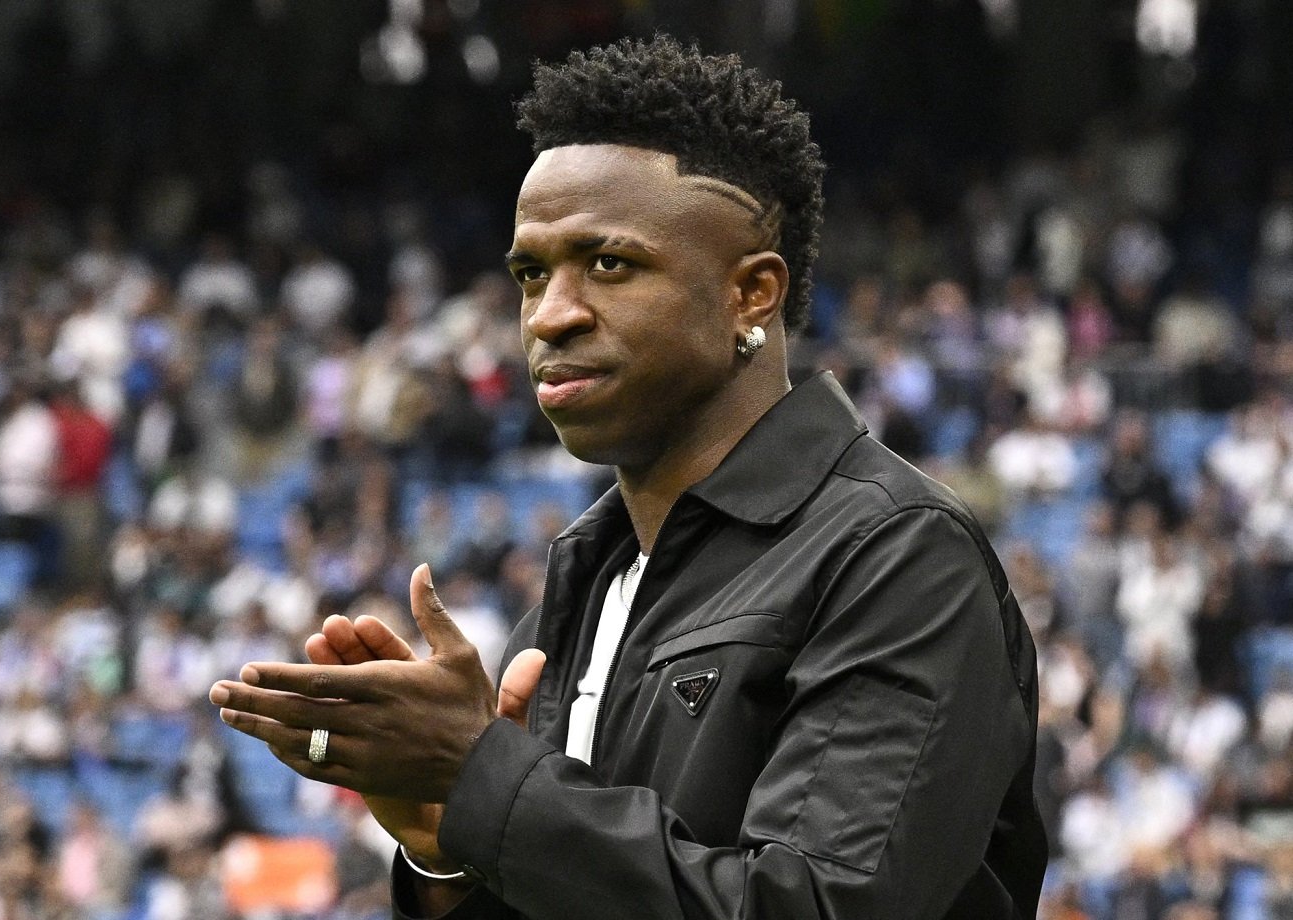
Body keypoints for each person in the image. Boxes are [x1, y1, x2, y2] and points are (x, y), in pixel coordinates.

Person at [210, 35, 1047, 919]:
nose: (552, 316)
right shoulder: (580, 588)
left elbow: (814, 905)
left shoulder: (895, 557)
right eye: (532, 273)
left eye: (609, 264)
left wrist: (485, 780)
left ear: (751, 294)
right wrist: (448, 850)